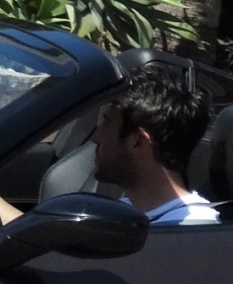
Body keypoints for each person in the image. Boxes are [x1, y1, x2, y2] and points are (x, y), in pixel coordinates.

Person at [91, 60, 219, 224]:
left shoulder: (191, 231)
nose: (96, 138)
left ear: (138, 142)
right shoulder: (125, 212)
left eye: (107, 124)